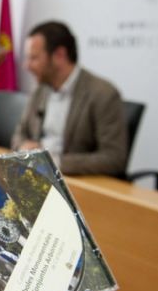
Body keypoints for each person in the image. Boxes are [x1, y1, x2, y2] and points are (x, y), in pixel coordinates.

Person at [11, 21, 128, 176]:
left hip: (75, 182)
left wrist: (55, 162)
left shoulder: (103, 94)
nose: (27, 66)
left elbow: (114, 158)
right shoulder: (40, 90)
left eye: (34, 58)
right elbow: (20, 133)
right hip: (36, 177)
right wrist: (23, 147)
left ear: (59, 55)